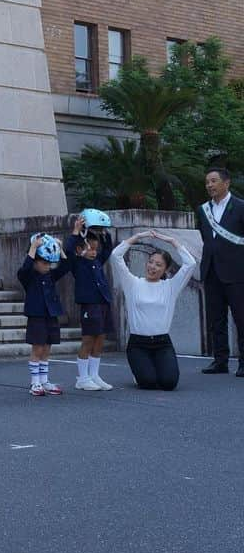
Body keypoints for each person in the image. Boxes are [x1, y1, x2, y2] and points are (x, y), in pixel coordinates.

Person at [111, 231, 197, 391]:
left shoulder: (171, 287)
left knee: (169, 383)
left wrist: (173, 241)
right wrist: (136, 237)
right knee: (148, 382)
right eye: (151, 262)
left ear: (165, 269)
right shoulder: (132, 284)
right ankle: (141, 373)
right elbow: (116, 255)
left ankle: (154, 367)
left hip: (162, 343)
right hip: (138, 344)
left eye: (158, 265)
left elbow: (191, 264)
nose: (152, 267)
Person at [195, 167, 244, 376]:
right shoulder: (202, 210)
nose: (210, 186)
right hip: (211, 270)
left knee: (241, 318)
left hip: (237, 271)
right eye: (207, 182)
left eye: (214, 181)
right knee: (216, 319)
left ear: (226, 182)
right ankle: (220, 360)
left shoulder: (241, 207)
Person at [65, 209, 115, 391]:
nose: (94, 252)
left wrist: (103, 232)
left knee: (100, 337)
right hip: (89, 303)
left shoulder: (97, 260)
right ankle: (82, 377)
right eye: (90, 249)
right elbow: (68, 249)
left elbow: (108, 249)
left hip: (102, 301)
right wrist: (76, 232)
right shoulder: (77, 262)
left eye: (96, 249)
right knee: (88, 339)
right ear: (80, 249)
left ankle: (94, 374)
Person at [18, 234, 70, 396]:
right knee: (37, 348)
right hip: (37, 315)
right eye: (44, 262)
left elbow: (66, 266)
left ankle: (44, 381)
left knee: (47, 348)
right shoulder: (29, 276)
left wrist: (60, 249)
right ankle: (35, 383)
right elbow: (24, 269)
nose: (48, 266)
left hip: (51, 313)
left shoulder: (50, 275)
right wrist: (33, 247)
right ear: (36, 261)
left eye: (49, 263)